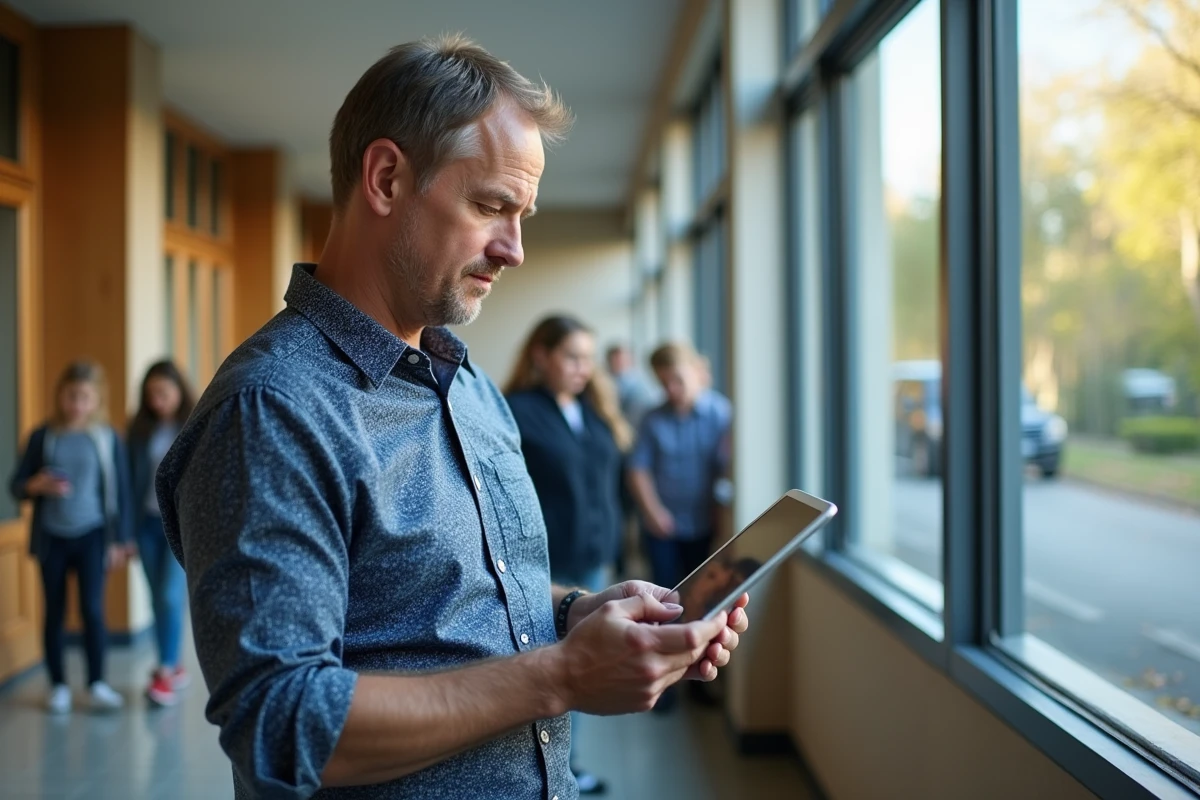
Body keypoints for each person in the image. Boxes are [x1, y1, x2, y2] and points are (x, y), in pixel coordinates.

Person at [156, 36, 749, 800]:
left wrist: (579, 613)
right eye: (491, 206)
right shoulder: (272, 409)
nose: (515, 250)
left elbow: (466, 598)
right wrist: (562, 675)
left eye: (523, 214)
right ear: (386, 178)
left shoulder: (465, 384)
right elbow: (280, 722)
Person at [505, 315, 633, 795]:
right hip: (549, 564)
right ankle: (555, 767)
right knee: (556, 667)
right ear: (541, 356)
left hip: (594, 554)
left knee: (590, 661)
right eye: (572, 357)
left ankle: (570, 763)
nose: (584, 369)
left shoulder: (592, 411)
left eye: (589, 360)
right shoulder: (518, 410)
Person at [8, 360, 132, 714]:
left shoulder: (107, 438)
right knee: (55, 612)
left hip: (93, 535)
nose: (76, 403)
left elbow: (120, 492)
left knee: (93, 611)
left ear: (96, 400)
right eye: (70, 395)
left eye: (84, 397)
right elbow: (17, 485)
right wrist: (36, 485)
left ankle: (96, 684)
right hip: (51, 538)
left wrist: (120, 541)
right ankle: (58, 685)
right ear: (60, 396)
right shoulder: (42, 436)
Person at [127, 360, 195, 707]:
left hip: (179, 523)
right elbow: (127, 484)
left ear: (179, 391)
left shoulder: (194, 423)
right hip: (146, 525)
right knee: (157, 599)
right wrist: (124, 533)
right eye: (151, 394)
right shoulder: (138, 430)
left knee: (169, 596)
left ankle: (165, 670)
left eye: (163, 393)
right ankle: (173, 663)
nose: (157, 400)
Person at [605, 343, 659, 430]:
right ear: (609, 361)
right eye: (616, 359)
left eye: (624, 359)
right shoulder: (603, 382)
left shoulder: (643, 385)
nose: (620, 362)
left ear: (631, 360)